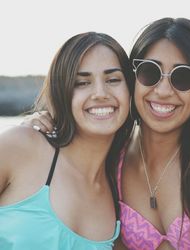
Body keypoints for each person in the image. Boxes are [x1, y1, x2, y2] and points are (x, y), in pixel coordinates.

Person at [22, 18, 190, 250]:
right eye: (150, 72)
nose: (162, 91)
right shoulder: (108, 163)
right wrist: (43, 121)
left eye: (182, 77)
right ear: (131, 79)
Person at [0, 32, 134, 250]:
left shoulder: (119, 189)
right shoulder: (20, 147)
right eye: (82, 82)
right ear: (62, 91)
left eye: (113, 80)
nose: (100, 93)